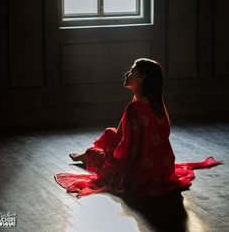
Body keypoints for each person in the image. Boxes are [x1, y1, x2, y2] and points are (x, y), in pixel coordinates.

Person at [55, 58, 223, 197]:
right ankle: (86, 155)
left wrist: (110, 158)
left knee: (96, 153)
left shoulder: (134, 109)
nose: (127, 73)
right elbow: (139, 135)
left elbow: (125, 150)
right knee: (109, 133)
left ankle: (85, 156)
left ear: (142, 77)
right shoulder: (157, 105)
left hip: (135, 174)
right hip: (162, 168)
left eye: (132, 71)